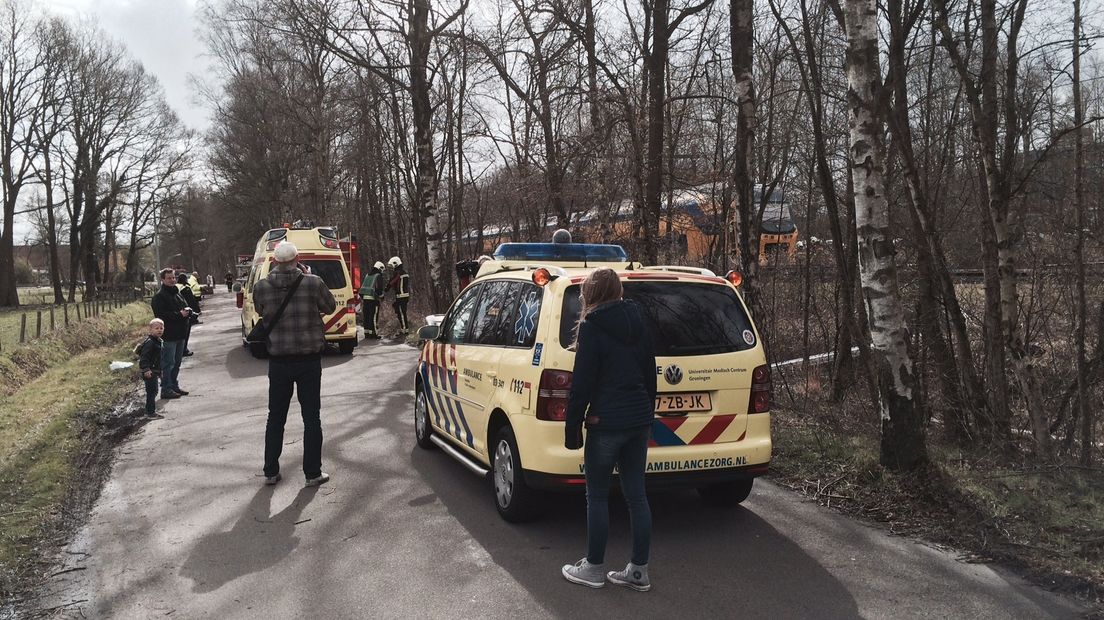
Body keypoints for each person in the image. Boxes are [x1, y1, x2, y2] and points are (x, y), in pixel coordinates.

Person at [561, 268, 656, 592]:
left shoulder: (592, 327)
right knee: (637, 497)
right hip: (638, 419)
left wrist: (572, 426)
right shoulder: (639, 321)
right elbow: (649, 372)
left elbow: (583, 383)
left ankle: (594, 568)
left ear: (593, 294)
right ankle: (638, 571)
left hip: (606, 422)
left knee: (598, 496)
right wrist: (648, 411)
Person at [253, 240, 337, 487]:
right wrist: (309, 278)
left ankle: (270, 471)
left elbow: (261, 310)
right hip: (308, 360)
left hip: (278, 361)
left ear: (275, 261)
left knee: (275, 417)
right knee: (312, 418)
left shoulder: (262, 286)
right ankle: (312, 473)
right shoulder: (312, 283)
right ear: (297, 259)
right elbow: (330, 306)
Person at [150, 268, 191, 399]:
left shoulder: (177, 293)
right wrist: (179, 314)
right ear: (162, 280)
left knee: (177, 362)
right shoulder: (159, 297)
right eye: (169, 278)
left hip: (180, 334)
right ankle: (166, 389)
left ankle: (174, 385)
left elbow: (183, 306)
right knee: (168, 363)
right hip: (169, 335)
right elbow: (161, 315)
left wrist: (188, 311)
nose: (172, 280)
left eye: (174, 277)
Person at [137, 318, 165, 418]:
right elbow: (144, 357)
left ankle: (150, 410)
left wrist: (161, 371)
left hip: (155, 370)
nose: (159, 330)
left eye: (161, 328)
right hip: (149, 371)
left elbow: (159, 358)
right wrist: (146, 369)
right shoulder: (150, 342)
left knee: (154, 391)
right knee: (152, 391)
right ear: (150, 330)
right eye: (156, 328)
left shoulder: (158, 341)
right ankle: (150, 412)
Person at [359, 261, 385, 339]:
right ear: (380, 268)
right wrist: (381, 296)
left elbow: (363, 288)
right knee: (373, 317)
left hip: (365, 300)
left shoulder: (367, 275)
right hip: (373, 300)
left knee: (366, 317)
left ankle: (367, 333)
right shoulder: (378, 276)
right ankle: (374, 334)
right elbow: (379, 289)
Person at [385, 256, 411, 336]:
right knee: (401, 312)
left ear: (395, 264)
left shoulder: (399, 273)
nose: (392, 268)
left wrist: (387, 288)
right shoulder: (404, 272)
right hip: (404, 296)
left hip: (401, 296)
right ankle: (404, 329)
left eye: (392, 266)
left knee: (402, 313)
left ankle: (405, 331)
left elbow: (392, 281)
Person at [177, 271, 200, 356]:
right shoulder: (185, 288)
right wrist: (196, 312)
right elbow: (191, 301)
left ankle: (180, 350)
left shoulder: (175, 287)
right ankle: (184, 350)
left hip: (177, 313)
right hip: (185, 314)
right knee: (185, 334)